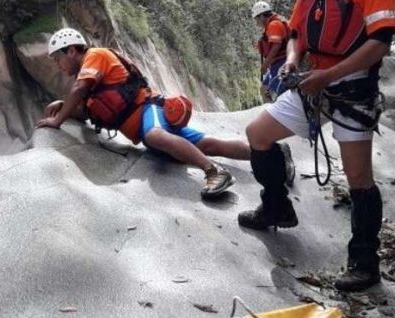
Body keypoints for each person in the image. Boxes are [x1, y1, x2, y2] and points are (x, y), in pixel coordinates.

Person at [237, 0, 395, 292]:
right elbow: (296, 34)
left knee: (359, 178)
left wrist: (329, 75)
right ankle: (276, 206)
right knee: (258, 134)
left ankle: (365, 262)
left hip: (352, 88)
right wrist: (293, 61)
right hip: (313, 81)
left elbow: (379, 42)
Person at [37, 27, 262, 200]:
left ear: (72, 50)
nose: (58, 65)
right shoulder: (90, 83)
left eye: (58, 59)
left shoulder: (95, 56)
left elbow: (78, 89)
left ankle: (214, 171)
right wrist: (62, 106)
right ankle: (268, 154)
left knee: (155, 135)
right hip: (146, 126)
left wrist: (57, 121)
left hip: (149, 109)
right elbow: (88, 113)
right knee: (207, 144)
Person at [252, 1, 292, 103]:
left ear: (262, 16)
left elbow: (276, 47)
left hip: (281, 62)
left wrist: (265, 65)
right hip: (277, 63)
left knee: (282, 92)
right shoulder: (273, 25)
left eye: (257, 19)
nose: (257, 23)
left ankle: (282, 109)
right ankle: (273, 109)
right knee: (264, 88)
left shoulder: (274, 25)